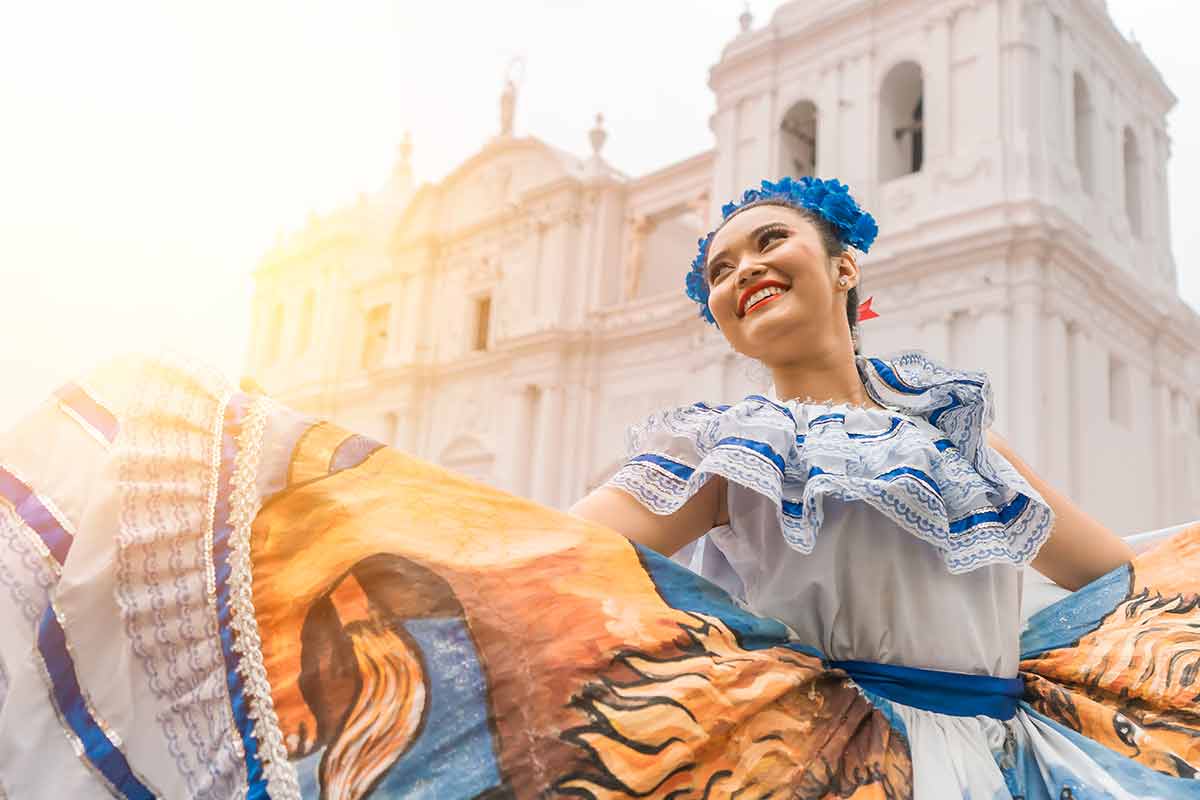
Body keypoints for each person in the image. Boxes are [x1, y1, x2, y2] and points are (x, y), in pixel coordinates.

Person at [0, 179, 1197, 799]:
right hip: (831, 765)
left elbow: (1112, 577)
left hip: (1023, 762)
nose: (745, 272)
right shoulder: (723, 443)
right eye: (721, 269)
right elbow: (540, 555)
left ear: (844, 267)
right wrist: (306, 490)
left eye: (771, 244)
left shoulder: (959, 430)